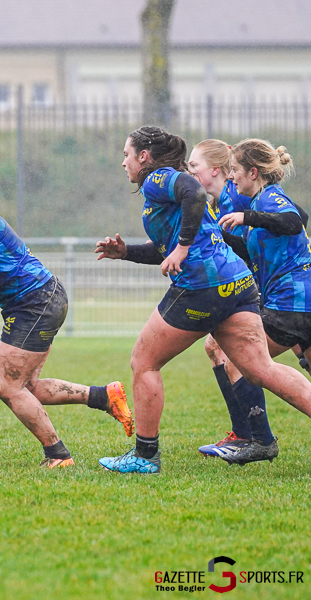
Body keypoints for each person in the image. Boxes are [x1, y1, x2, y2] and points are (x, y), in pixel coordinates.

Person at [96, 126, 311, 474]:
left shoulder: (157, 179)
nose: (124, 163)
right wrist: (125, 253)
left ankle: (145, 456)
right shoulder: (174, 189)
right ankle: (250, 436)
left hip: (202, 286)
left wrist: (181, 248)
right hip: (237, 283)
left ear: (144, 157)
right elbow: (173, 243)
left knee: (144, 362)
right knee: (260, 369)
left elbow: (193, 196)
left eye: (126, 155)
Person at [0, 162, 134, 468]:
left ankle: (58, 456)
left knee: (7, 387)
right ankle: (104, 396)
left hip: (38, 300)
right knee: (26, 387)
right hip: (27, 303)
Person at [214, 139, 311, 464]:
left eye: (236, 172)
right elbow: (249, 250)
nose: (233, 179)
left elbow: (294, 221)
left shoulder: (269, 198)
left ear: (253, 172)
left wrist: (248, 217)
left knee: (239, 361)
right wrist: (217, 234)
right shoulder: (259, 202)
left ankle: (261, 440)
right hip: (298, 301)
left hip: (291, 303)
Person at [186, 139, 278, 462]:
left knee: (231, 351)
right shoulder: (214, 204)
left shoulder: (236, 196)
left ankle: (257, 437)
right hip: (259, 290)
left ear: (215, 170)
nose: (188, 172)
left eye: (193, 166)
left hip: (272, 291)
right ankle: (244, 435)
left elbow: (298, 218)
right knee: (216, 348)